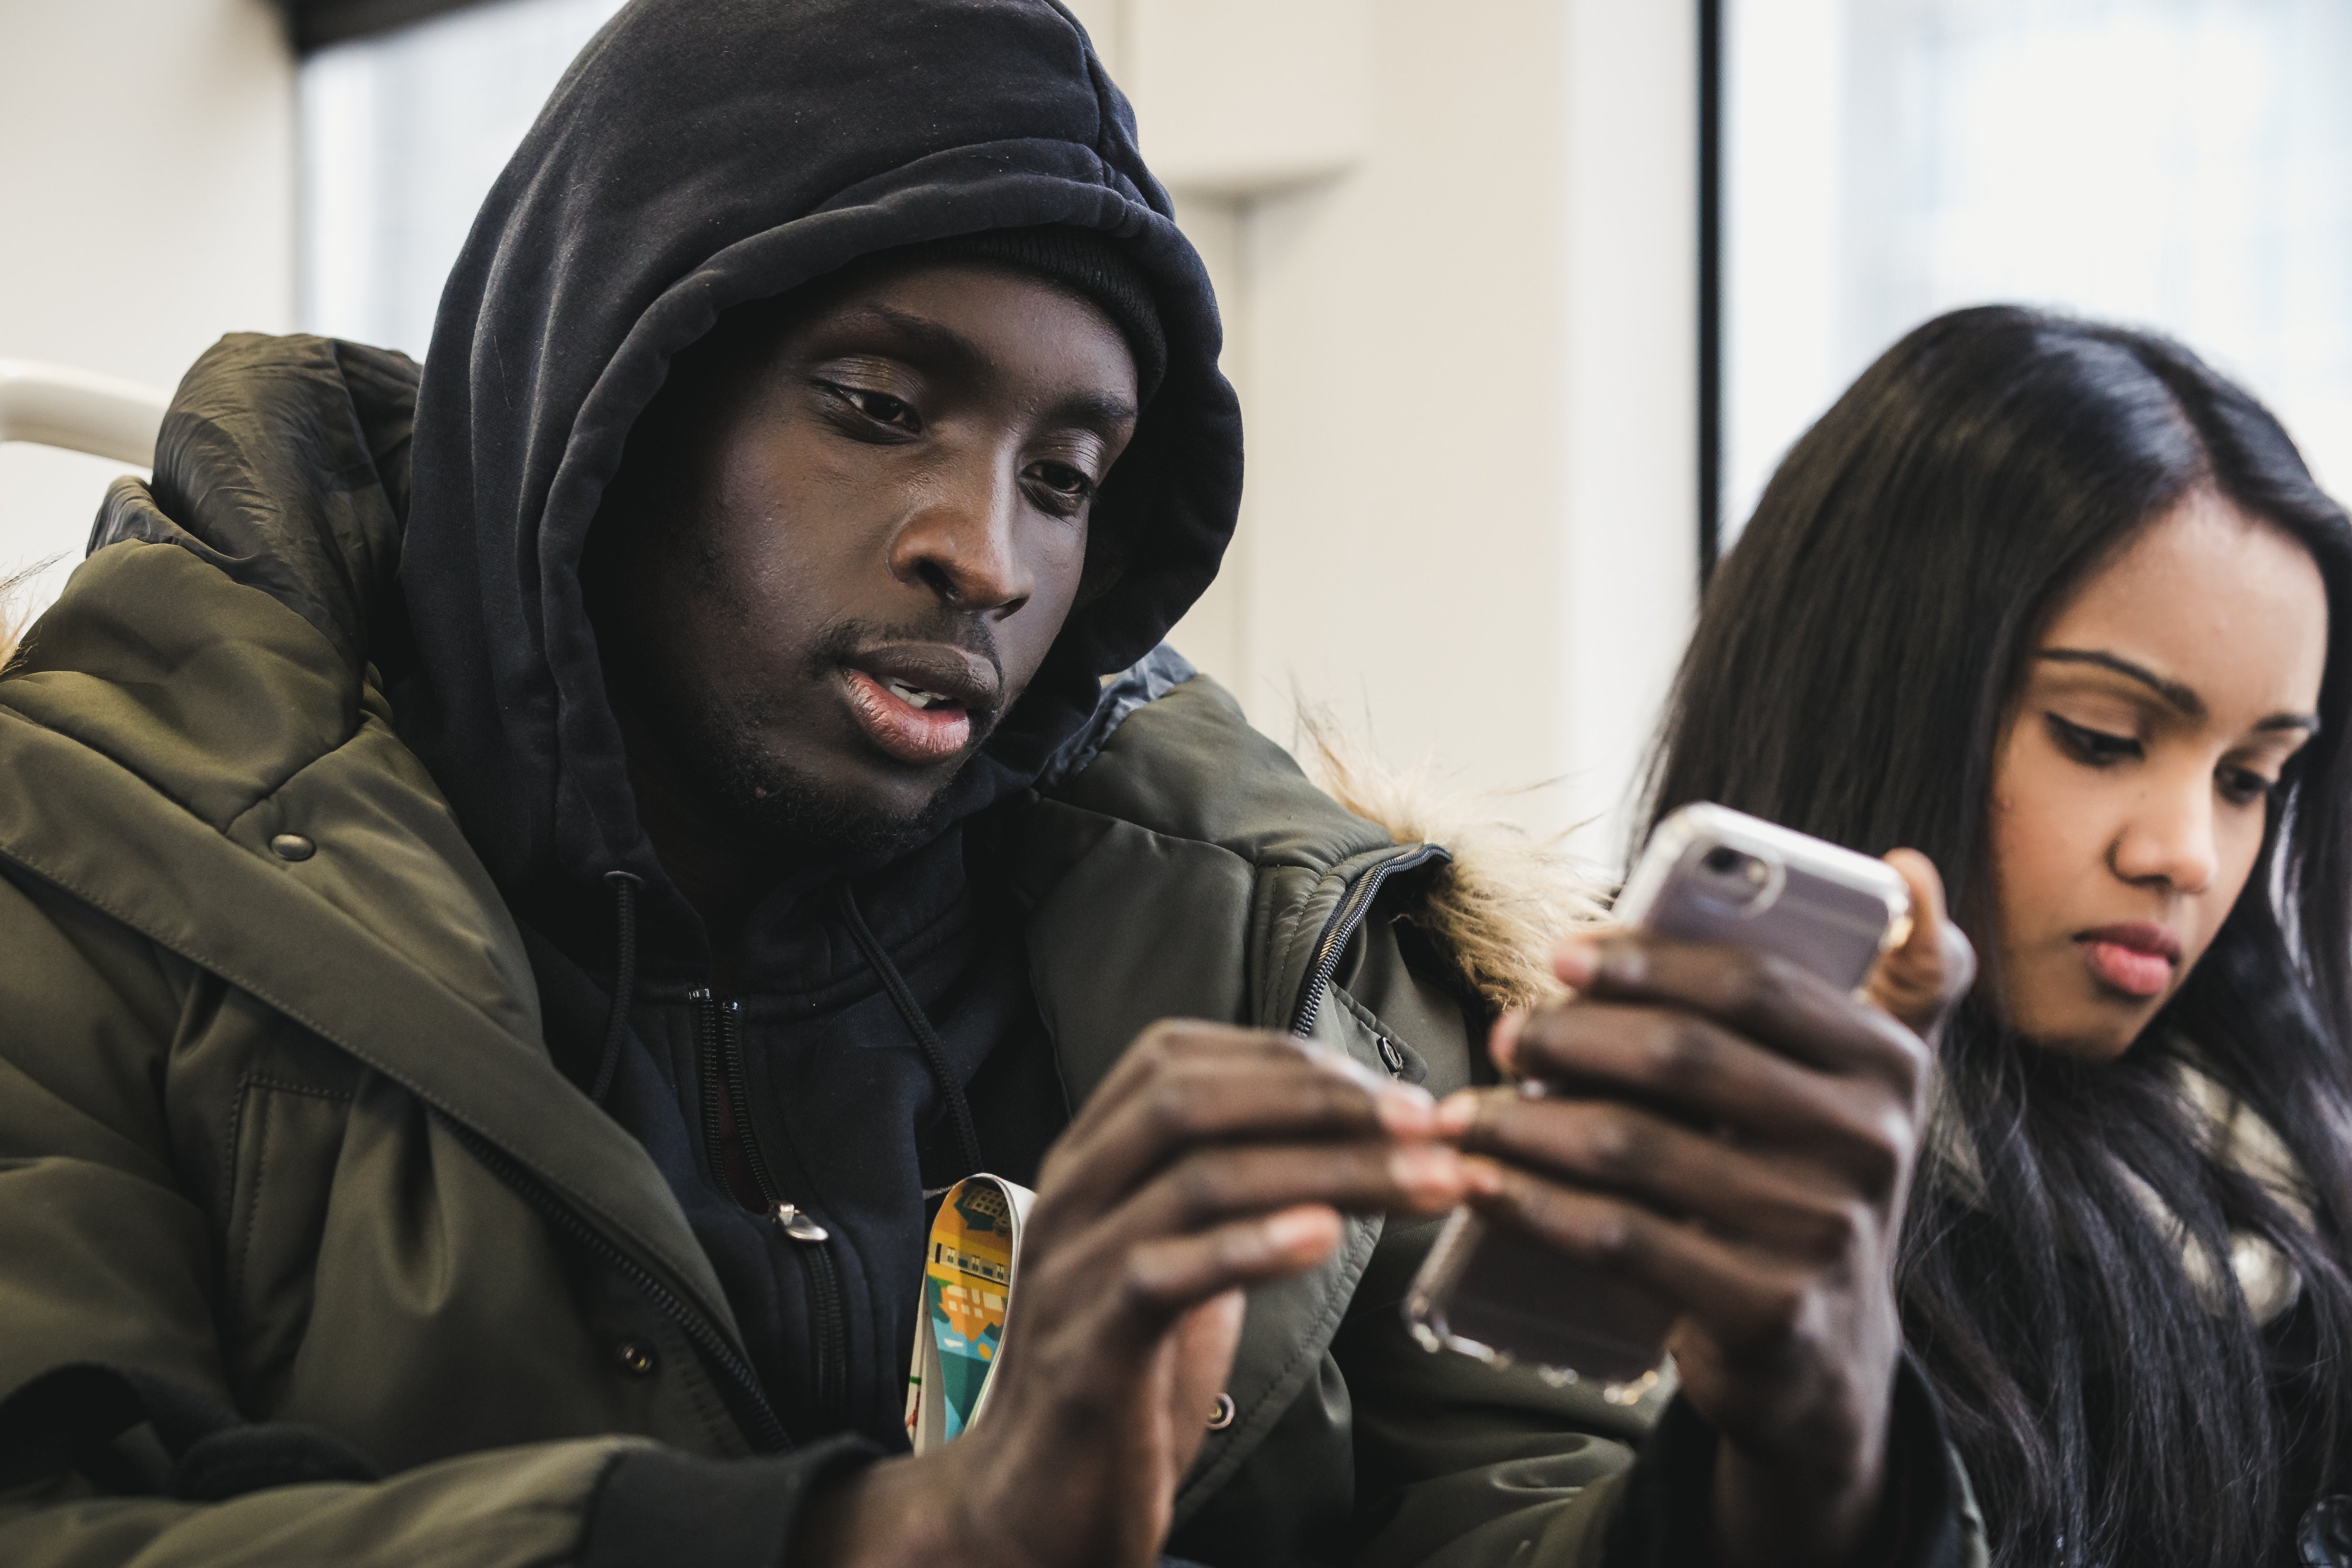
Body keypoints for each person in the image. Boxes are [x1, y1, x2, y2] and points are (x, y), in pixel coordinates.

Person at [0, 2, 1981, 1564]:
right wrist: (907, 1537)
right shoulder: (87, 863)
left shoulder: (1277, 949)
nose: (989, 554)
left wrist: (1800, 1464)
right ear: (601, 398)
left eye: (1067, 474)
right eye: (876, 408)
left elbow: (1497, 1515)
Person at [1633, 304, 2352, 1565]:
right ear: (1871, 698)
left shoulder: (2304, 1165)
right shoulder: (1640, 1180)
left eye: (2250, 778)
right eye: (2100, 738)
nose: (2187, 852)